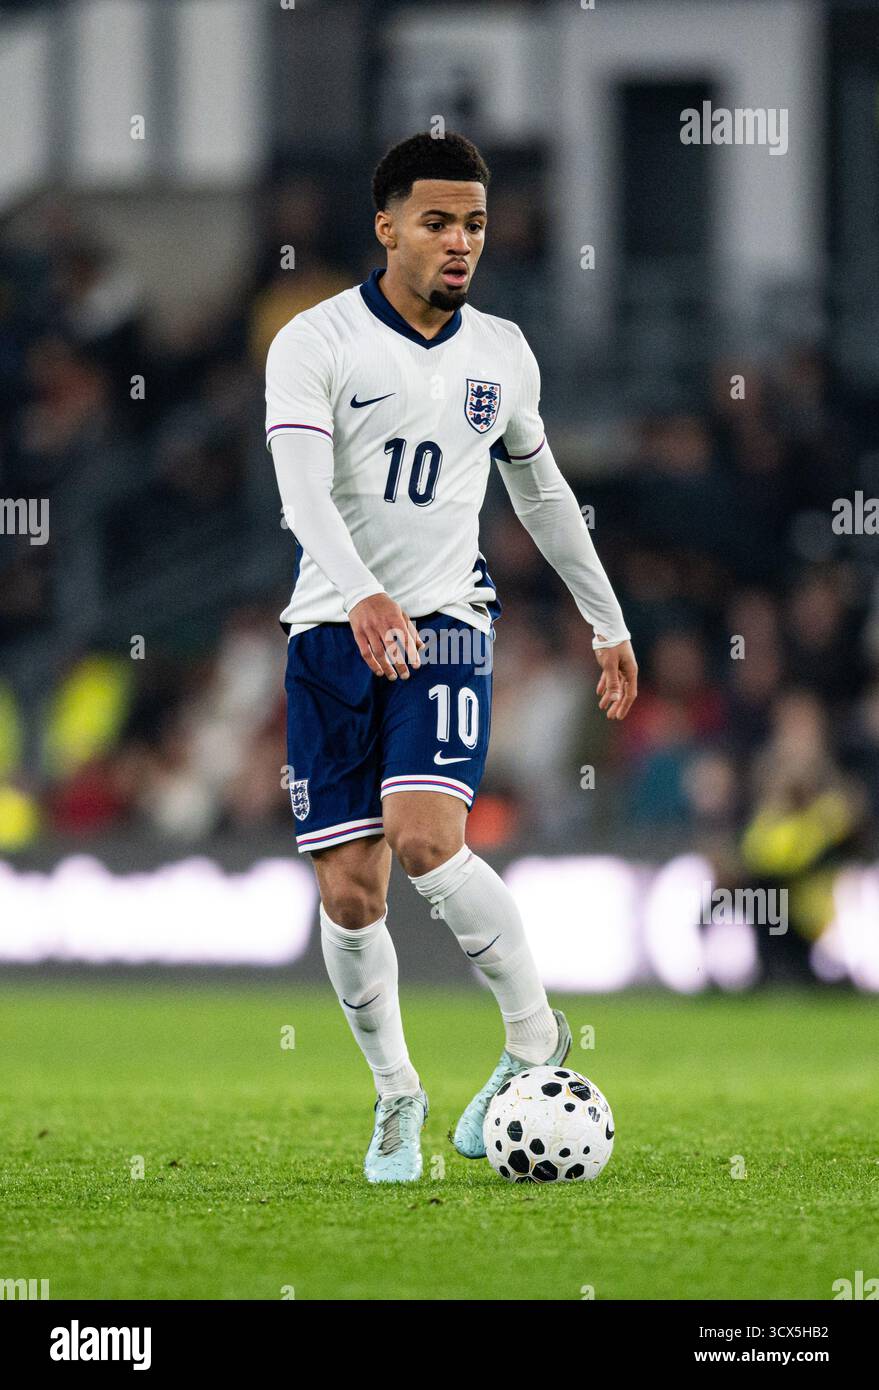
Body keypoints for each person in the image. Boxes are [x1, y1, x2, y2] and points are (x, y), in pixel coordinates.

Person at [265, 131, 637, 1182]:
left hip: (445, 628)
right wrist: (362, 594)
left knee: (426, 839)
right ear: (385, 226)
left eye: (473, 222)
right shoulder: (314, 342)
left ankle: (532, 1041)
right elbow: (300, 497)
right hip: (331, 637)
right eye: (437, 221)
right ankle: (397, 1094)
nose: (460, 241)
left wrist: (605, 617)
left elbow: (543, 492)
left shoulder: (503, 353)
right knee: (350, 893)